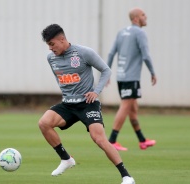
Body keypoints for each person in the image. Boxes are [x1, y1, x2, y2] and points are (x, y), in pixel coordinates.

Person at [39, 24, 135, 184]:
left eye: (52, 44)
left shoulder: (84, 53)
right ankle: (66, 159)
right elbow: (62, 79)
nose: (50, 48)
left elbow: (106, 71)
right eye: (48, 45)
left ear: (62, 39)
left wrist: (96, 91)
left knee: (99, 139)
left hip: (88, 103)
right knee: (44, 123)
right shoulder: (51, 58)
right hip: (68, 104)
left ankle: (126, 176)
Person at [107, 8, 157, 151]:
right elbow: (146, 55)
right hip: (131, 77)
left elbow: (111, 53)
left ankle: (142, 140)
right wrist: (152, 72)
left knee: (133, 108)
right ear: (135, 18)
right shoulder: (140, 33)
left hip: (121, 76)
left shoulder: (121, 32)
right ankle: (112, 140)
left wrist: (108, 72)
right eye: (143, 15)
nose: (145, 16)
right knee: (125, 106)